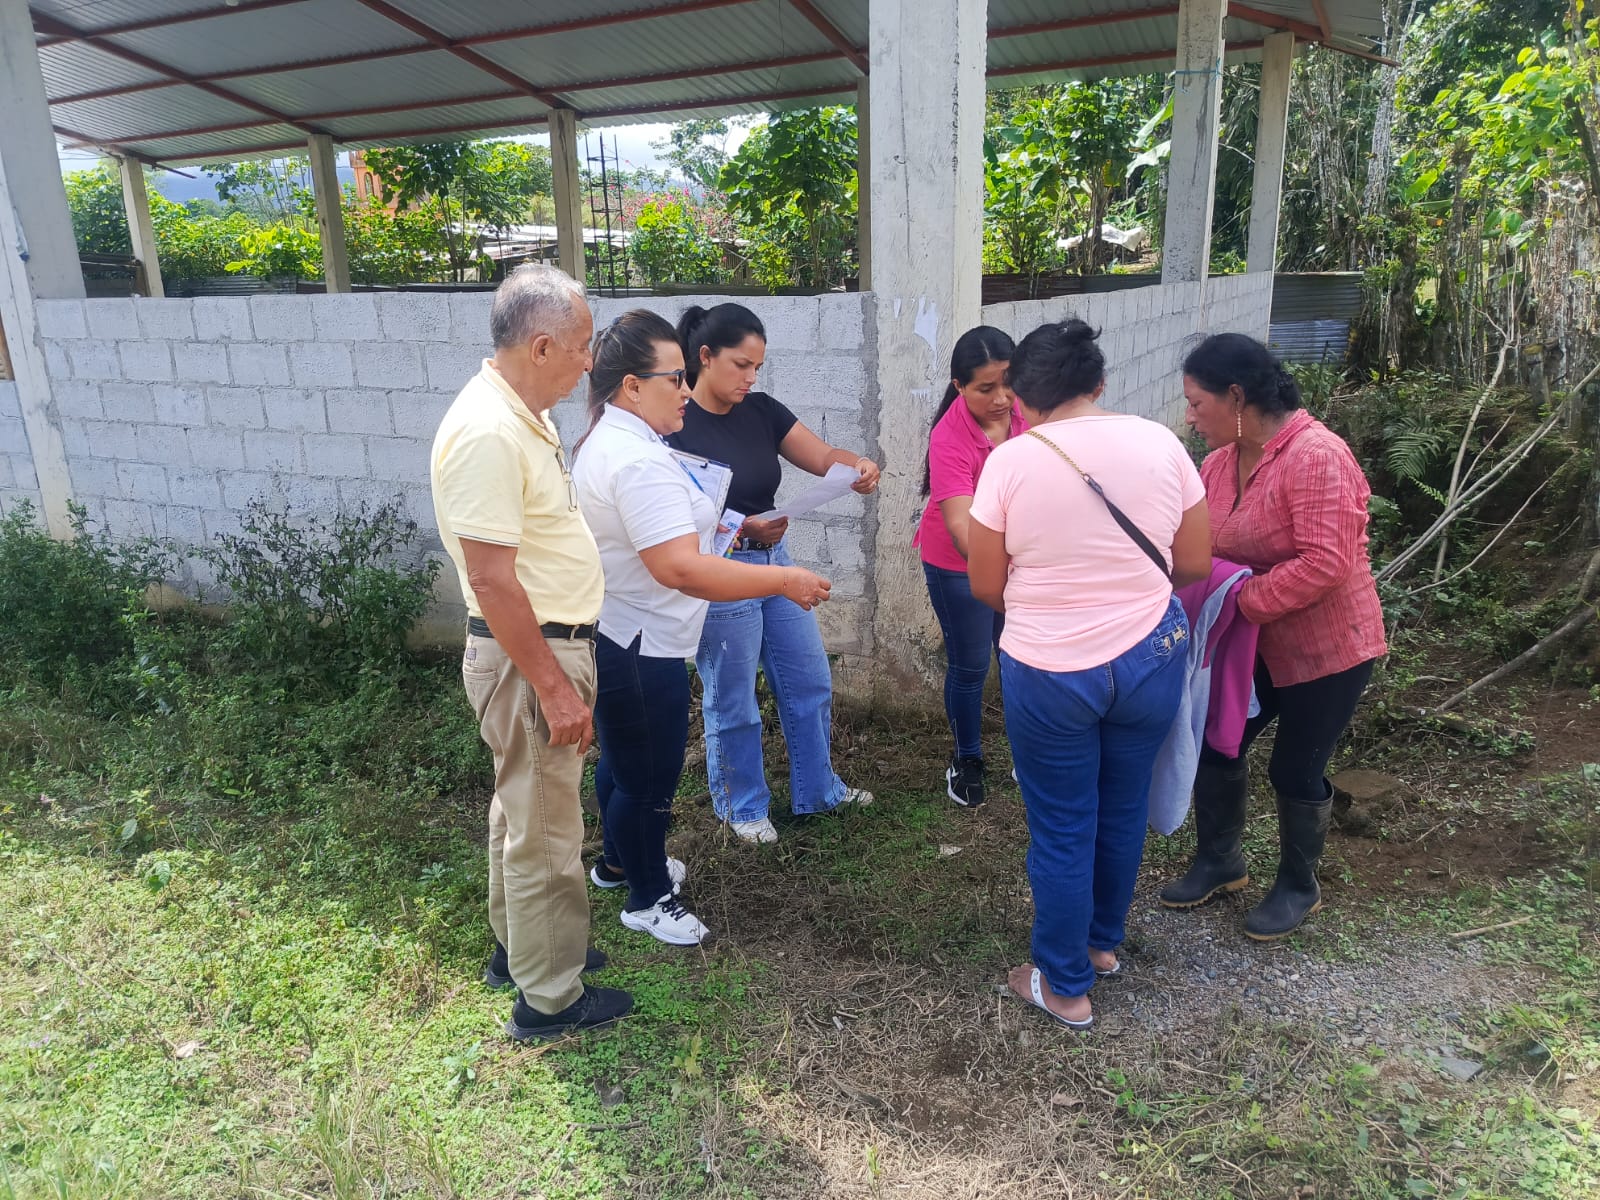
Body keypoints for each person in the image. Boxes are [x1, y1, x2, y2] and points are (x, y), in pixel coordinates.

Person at [967, 319, 1211, 1032]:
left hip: (1049, 670)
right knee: (1122, 805)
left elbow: (985, 584)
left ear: (1019, 394)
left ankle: (1065, 986)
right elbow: (1194, 562)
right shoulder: (1163, 443)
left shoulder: (1010, 463)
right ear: (1100, 383)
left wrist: (1056, 606)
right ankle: (1101, 946)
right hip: (1149, 656)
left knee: (1062, 824)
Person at [572, 310, 833, 944]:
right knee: (649, 776)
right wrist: (782, 580)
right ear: (633, 386)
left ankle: (618, 863)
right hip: (641, 641)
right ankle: (648, 898)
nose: (686, 390)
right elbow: (681, 569)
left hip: (624, 630)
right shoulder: (637, 460)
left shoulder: (619, 441)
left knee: (624, 762)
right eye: (675, 378)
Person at [429, 264, 630, 1042]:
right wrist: (553, 686)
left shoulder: (521, 415)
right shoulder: (489, 430)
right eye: (582, 346)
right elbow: (491, 578)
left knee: (523, 810)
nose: (589, 361)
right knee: (547, 830)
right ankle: (549, 997)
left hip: (538, 648)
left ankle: (521, 950)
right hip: (530, 654)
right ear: (541, 346)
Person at [1161, 333, 1387, 940]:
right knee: (1220, 739)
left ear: (1237, 397)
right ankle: (1221, 861)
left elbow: (1326, 562)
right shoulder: (1217, 464)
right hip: (1250, 645)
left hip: (1327, 648)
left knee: (1295, 768)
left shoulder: (1317, 456)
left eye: (1196, 402)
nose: (1190, 417)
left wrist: (1242, 600)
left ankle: (1298, 885)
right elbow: (1196, 545)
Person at [665, 303, 880, 844]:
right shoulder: (676, 423)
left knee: (808, 678)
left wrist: (856, 467)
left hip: (776, 564)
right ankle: (742, 806)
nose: (751, 378)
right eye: (741, 365)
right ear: (705, 356)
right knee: (732, 697)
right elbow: (673, 517)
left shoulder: (761, 410)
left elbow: (822, 455)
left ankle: (819, 790)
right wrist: (742, 529)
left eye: (757, 367)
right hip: (719, 570)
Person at [915, 325, 1023, 808]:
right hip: (958, 564)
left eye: (1008, 382)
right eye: (985, 388)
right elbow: (962, 528)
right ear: (959, 386)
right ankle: (967, 758)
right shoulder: (949, 436)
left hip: (1019, 559)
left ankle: (1027, 749)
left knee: (1019, 657)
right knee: (971, 664)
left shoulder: (1028, 415)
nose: (1001, 398)